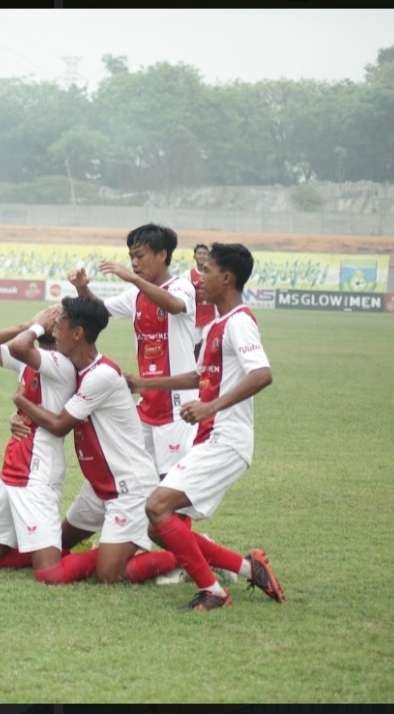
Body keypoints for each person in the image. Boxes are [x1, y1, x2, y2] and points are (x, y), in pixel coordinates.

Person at [128, 243, 284, 611]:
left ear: (227, 278)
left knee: (157, 507)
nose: (200, 279)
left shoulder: (240, 322)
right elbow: (201, 377)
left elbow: (262, 374)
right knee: (158, 522)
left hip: (227, 439)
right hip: (210, 437)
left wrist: (212, 405)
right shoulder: (216, 324)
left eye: (207, 271)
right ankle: (249, 568)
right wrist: (146, 383)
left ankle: (212, 590)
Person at [12, 296, 161, 584]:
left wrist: (21, 403)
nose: (54, 329)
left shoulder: (100, 376)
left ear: (78, 333)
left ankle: (181, 558)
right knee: (61, 542)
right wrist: (16, 416)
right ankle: (120, 545)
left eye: (60, 324)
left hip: (128, 485)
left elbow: (58, 426)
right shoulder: (71, 367)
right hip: (98, 486)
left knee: (109, 576)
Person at [68, 224, 200, 482]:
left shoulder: (181, 287)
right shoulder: (136, 295)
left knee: (170, 485)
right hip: (148, 403)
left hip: (178, 406)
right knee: (139, 479)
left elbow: (175, 306)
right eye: (131, 258)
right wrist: (83, 289)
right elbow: (100, 310)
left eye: (140, 256)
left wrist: (132, 278)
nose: (134, 263)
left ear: (162, 255)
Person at [0, 304, 83, 578]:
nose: (52, 320)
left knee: (49, 572)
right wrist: (25, 325)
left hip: (37, 473)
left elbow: (21, 348)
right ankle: (45, 546)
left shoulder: (58, 364)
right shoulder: (30, 359)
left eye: (57, 319)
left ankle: (105, 556)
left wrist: (34, 328)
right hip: (12, 470)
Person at [190, 243, 216, 353]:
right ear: (194, 256)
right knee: (194, 347)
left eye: (205, 254)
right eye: (199, 253)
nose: (202, 256)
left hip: (212, 317)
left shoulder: (215, 274)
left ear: (208, 256)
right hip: (195, 318)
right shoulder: (188, 274)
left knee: (209, 347)